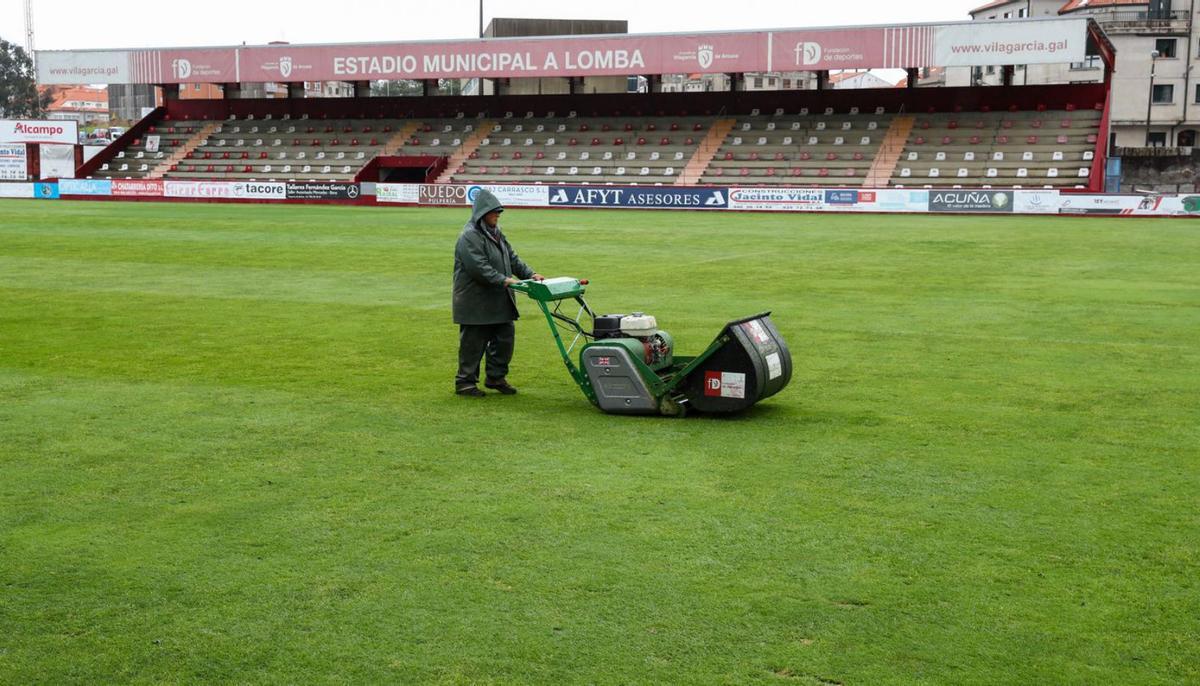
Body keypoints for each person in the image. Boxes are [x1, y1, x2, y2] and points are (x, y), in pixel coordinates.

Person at [452, 189, 543, 397]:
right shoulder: (469, 237)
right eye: (495, 213)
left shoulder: (496, 233)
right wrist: (504, 280)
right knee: (473, 343)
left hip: (499, 298)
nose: (497, 216)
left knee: (504, 338)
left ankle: (495, 377)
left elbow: (512, 258)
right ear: (483, 213)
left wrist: (531, 274)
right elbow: (479, 268)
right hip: (475, 300)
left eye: (499, 213)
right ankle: (465, 382)